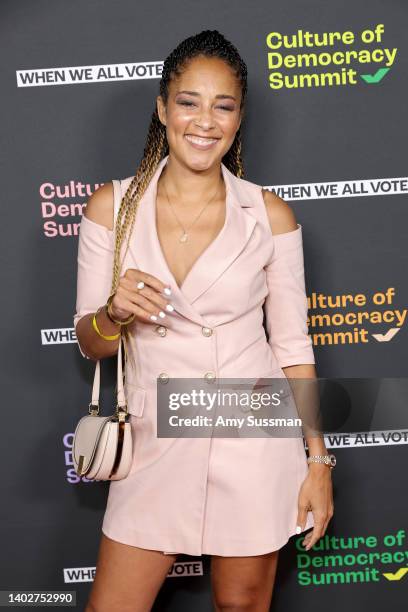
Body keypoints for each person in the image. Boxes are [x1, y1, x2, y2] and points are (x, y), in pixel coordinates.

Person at [74, 29, 334, 612]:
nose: (205, 122)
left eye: (224, 106)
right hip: (153, 441)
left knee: (241, 607)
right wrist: (113, 313)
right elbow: (90, 344)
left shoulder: (268, 215)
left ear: (240, 118)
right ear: (163, 108)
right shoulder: (111, 208)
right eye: (189, 102)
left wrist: (318, 461)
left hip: (253, 437)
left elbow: (293, 345)